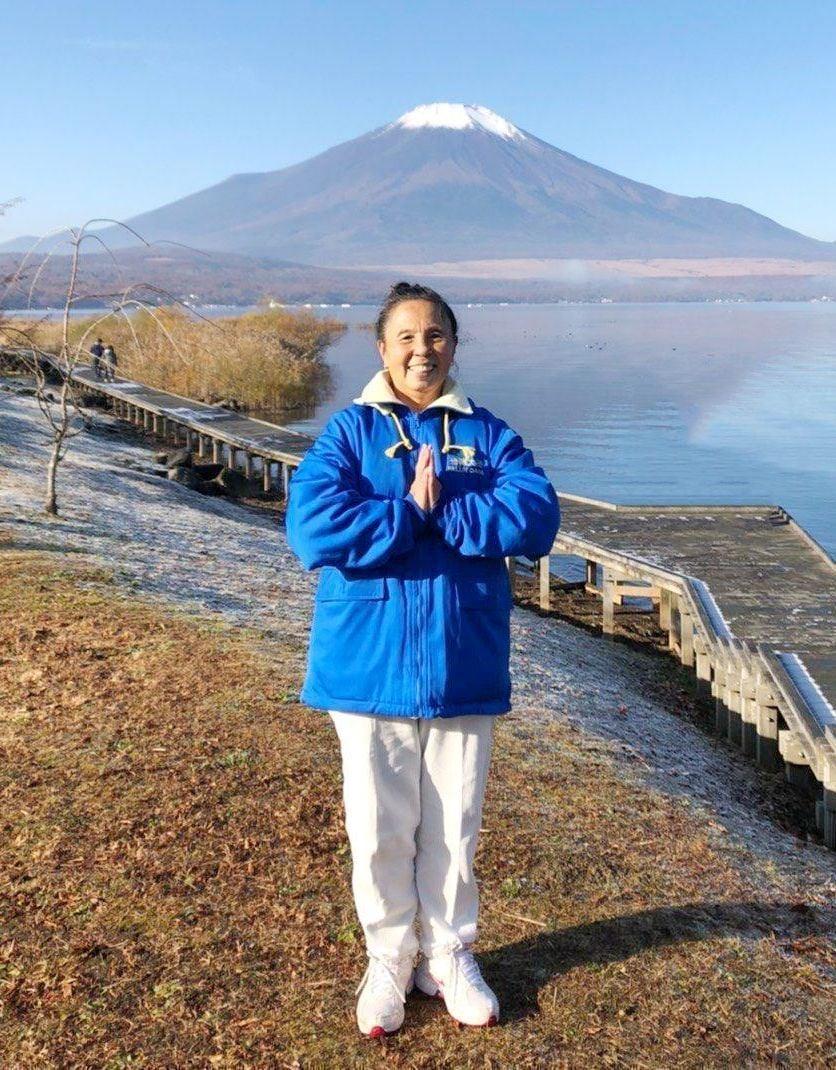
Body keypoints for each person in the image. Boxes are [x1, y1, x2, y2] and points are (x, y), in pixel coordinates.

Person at [285, 282, 560, 1038]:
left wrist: (448, 510)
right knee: (378, 828)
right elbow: (312, 526)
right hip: (366, 666)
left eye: (435, 335)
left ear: (453, 345)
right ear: (381, 349)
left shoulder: (487, 434)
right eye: (406, 336)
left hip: (462, 662)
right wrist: (407, 512)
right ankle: (388, 957)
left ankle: (449, 953)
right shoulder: (348, 433)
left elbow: (537, 514)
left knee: (455, 825)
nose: (422, 349)